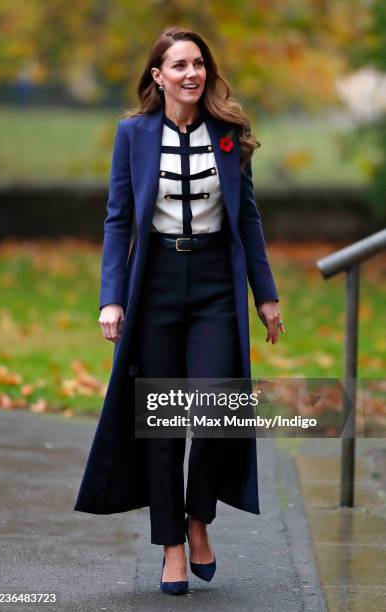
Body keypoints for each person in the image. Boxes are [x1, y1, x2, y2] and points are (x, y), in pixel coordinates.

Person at [76, 26, 285, 596]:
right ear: (157, 76)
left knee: (217, 410)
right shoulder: (133, 135)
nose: (191, 74)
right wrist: (111, 297)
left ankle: (199, 520)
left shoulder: (230, 133)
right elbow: (119, 219)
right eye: (178, 65)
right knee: (164, 423)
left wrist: (264, 294)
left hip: (218, 283)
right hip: (158, 285)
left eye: (198, 63)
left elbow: (248, 220)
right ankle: (170, 542)